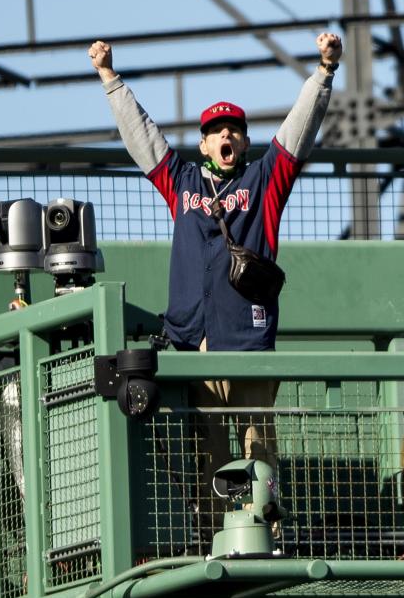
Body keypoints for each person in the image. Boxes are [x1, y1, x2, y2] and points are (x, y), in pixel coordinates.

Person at [88, 33, 342, 485]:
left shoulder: (265, 182)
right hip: (194, 346)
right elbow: (142, 136)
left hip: (247, 344)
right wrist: (109, 77)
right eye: (214, 131)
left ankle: (268, 540)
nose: (225, 133)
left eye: (234, 130)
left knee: (258, 451)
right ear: (203, 145)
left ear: (243, 144)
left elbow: (297, 132)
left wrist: (324, 71)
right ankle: (211, 544)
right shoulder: (181, 181)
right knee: (210, 457)